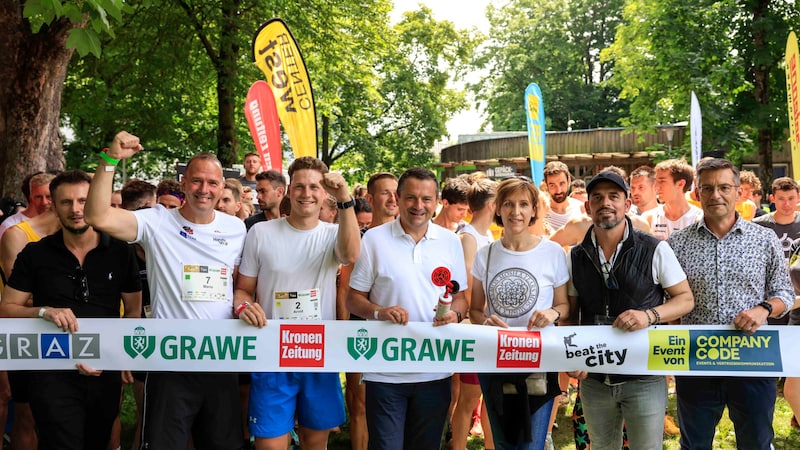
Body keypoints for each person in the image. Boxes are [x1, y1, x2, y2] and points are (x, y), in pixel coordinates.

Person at [85, 131, 247, 449]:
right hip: (171, 358)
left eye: (213, 183)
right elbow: (96, 215)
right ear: (184, 183)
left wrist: (243, 304)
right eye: (197, 181)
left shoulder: (236, 229)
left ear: (222, 188)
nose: (204, 189)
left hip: (220, 358)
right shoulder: (157, 221)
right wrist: (109, 160)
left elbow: (242, 285)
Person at [0, 170, 142, 450]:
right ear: (53, 205)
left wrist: (123, 355)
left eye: (83, 201)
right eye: (66, 202)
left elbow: (134, 311)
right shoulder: (35, 254)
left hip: (105, 369)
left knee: (99, 441)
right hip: (52, 370)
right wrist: (43, 311)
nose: (76, 209)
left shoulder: (120, 252)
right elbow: (6, 308)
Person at [234, 156, 359, 450]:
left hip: (317, 353)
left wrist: (345, 197)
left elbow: (351, 255)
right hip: (273, 354)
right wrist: (243, 307)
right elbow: (243, 290)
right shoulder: (261, 233)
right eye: (300, 186)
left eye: (315, 187)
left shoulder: (332, 235)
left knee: (315, 445)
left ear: (325, 193)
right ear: (289, 190)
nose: (307, 193)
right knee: (269, 446)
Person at [668, 158, 794, 450]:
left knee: (756, 443)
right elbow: (667, 299)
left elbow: (785, 294)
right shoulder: (678, 243)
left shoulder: (764, 239)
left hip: (753, 359)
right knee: (695, 444)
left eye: (724, 187)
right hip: (697, 360)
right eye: (708, 188)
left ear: (739, 191)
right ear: (697, 193)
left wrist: (763, 309)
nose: (716, 195)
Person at [566, 171, 693, 450]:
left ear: (627, 204)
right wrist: (569, 355)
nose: (605, 203)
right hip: (595, 377)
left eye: (614, 196)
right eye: (597, 197)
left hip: (644, 375)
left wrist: (648, 316)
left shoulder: (654, 248)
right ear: (587, 207)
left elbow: (685, 299)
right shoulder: (575, 256)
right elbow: (570, 315)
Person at [347, 167, 468, 450]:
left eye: (426, 199)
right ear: (398, 199)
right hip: (385, 370)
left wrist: (456, 314)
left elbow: (461, 298)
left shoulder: (450, 242)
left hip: (435, 370)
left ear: (437, 201)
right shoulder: (374, 239)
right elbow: (353, 299)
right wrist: (379, 312)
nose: (418, 206)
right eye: (411, 198)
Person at [468, 177, 569, 450]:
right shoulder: (485, 255)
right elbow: (474, 309)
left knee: (530, 445)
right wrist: (485, 322)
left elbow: (564, 306)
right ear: (497, 209)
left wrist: (551, 314)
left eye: (524, 204)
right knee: (503, 443)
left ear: (535, 209)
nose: (516, 212)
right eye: (509, 204)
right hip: (495, 362)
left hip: (538, 362)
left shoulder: (553, 252)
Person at [338, 172, 397, 450]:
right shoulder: (358, 239)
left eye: (397, 192)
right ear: (370, 198)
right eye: (385, 192)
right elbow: (344, 290)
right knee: (360, 401)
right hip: (360, 329)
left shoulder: (411, 237)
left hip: (399, 332)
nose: (393, 198)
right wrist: (343, 329)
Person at [452, 176, 497, 450]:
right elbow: (467, 285)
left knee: (488, 399)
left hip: (488, 326)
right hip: (475, 327)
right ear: (492, 204)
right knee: (468, 399)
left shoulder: (487, 234)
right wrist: (480, 317)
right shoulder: (468, 237)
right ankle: (457, 445)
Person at [643, 159, 702, 240]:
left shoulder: (699, 219)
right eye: (656, 181)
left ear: (681, 184)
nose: (656, 187)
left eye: (662, 181)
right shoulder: (648, 218)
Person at [0, 172, 54, 240]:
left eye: (49, 197)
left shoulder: (64, 224)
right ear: (31, 197)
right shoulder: (10, 226)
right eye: (38, 197)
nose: (44, 202)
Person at [543, 162, 584, 230]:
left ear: (569, 181)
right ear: (546, 185)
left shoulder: (581, 209)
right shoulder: (540, 212)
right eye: (552, 185)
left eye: (562, 183)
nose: (558, 190)